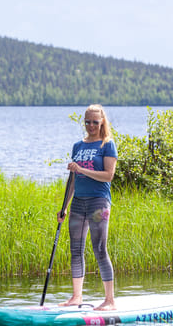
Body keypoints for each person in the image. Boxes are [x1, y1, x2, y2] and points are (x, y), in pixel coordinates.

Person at [58, 104, 117, 311]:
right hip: (78, 203)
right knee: (76, 250)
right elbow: (73, 179)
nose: (91, 126)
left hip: (98, 202)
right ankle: (76, 297)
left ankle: (109, 301)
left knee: (100, 249)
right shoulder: (78, 146)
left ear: (102, 122)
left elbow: (108, 176)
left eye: (95, 122)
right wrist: (64, 207)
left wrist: (81, 169)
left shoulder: (107, 145)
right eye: (88, 122)